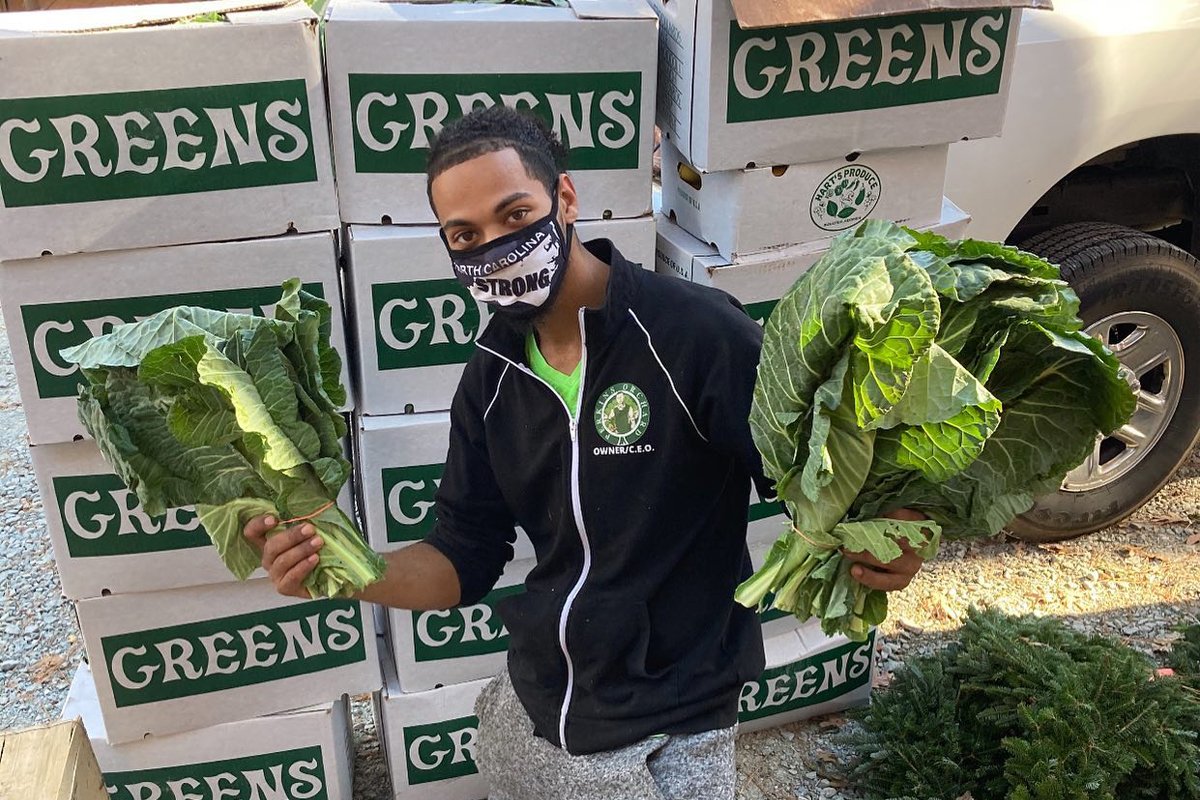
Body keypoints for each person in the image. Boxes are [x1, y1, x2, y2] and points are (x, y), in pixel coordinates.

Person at [243, 106, 927, 799]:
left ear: (565, 200)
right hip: (537, 704)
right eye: (465, 234)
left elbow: (823, 480)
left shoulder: (693, 335)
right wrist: (348, 567)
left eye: (515, 216)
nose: (496, 247)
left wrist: (890, 531)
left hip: (677, 711)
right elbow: (463, 556)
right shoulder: (490, 377)